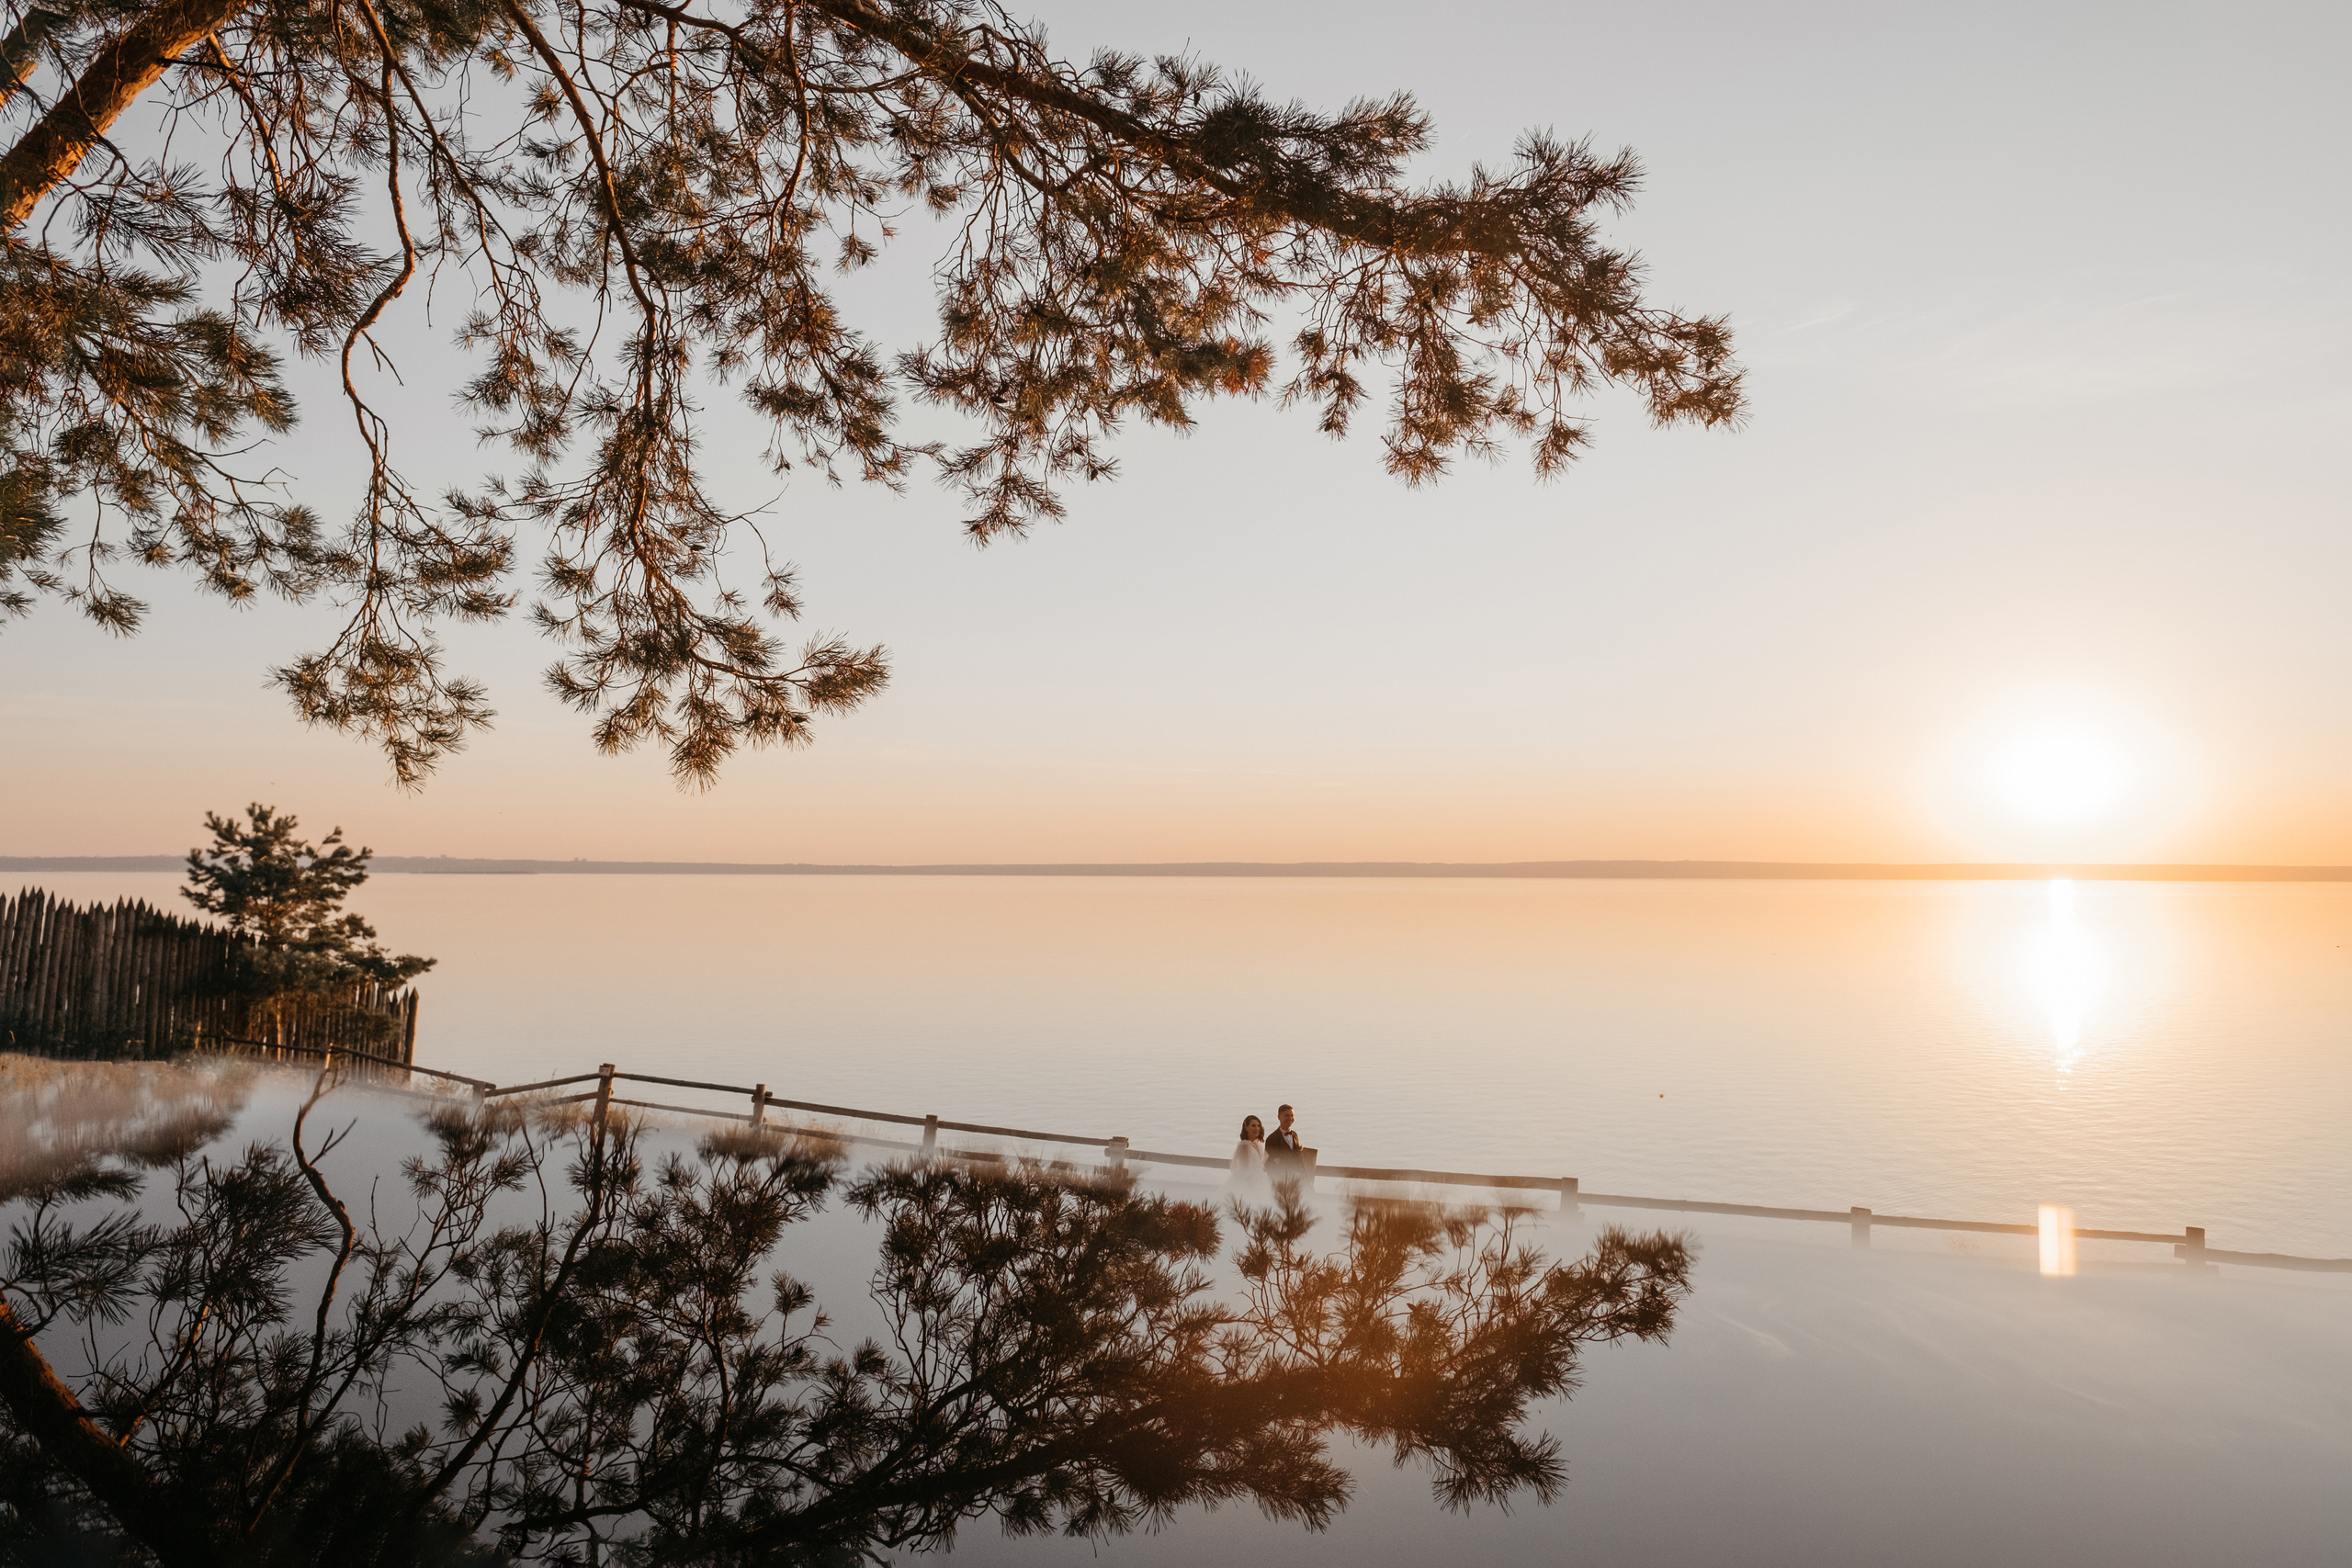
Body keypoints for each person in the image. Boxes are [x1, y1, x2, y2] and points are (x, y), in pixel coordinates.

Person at [1263, 1104, 1304, 1174]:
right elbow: (1270, 1163)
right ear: (1279, 1117)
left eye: (1292, 1115)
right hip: (1280, 1177)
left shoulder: (1295, 1135)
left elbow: (1298, 1158)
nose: (1290, 1118)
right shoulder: (1271, 1138)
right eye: (1287, 1116)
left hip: (1295, 1176)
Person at [1229, 1114, 1267, 1187]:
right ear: (1246, 1128)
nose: (1256, 1128)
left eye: (1258, 1126)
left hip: (1258, 1178)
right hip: (1248, 1182)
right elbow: (1246, 1168)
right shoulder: (1245, 1145)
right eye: (1253, 1126)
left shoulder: (1258, 1144)